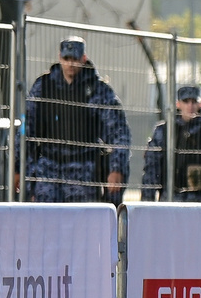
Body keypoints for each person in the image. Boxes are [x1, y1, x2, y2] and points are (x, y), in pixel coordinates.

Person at [22, 37, 129, 202]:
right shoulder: (43, 86)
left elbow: (119, 132)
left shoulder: (97, 90)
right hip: (49, 168)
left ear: (83, 58)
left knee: (82, 222)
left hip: (83, 169)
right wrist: (19, 168)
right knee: (44, 220)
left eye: (75, 59)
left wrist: (116, 169)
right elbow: (26, 129)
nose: (70, 64)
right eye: (66, 59)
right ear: (60, 57)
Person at [138, 84, 201, 202]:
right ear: (178, 104)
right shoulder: (164, 131)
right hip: (171, 200)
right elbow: (151, 170)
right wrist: (147, 203)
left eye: (194, 101)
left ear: (200, 103)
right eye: (186, 101)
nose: (190, 106)